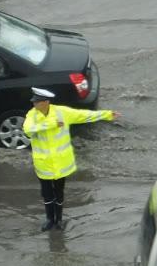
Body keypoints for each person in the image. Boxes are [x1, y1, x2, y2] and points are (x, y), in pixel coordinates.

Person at [23, 87, 120, 231]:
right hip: (44, 164)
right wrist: (52, 124)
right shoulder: (32, 115)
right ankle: (50, 219)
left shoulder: (62, 112)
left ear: (46, 102)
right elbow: (28, 129)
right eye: (34, 102)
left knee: (59, 193)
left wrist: (107, 115)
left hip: (61, 163)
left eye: (37, 102)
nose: (34, 105)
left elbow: (84, 115)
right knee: (47, 194)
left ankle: (59, 220)